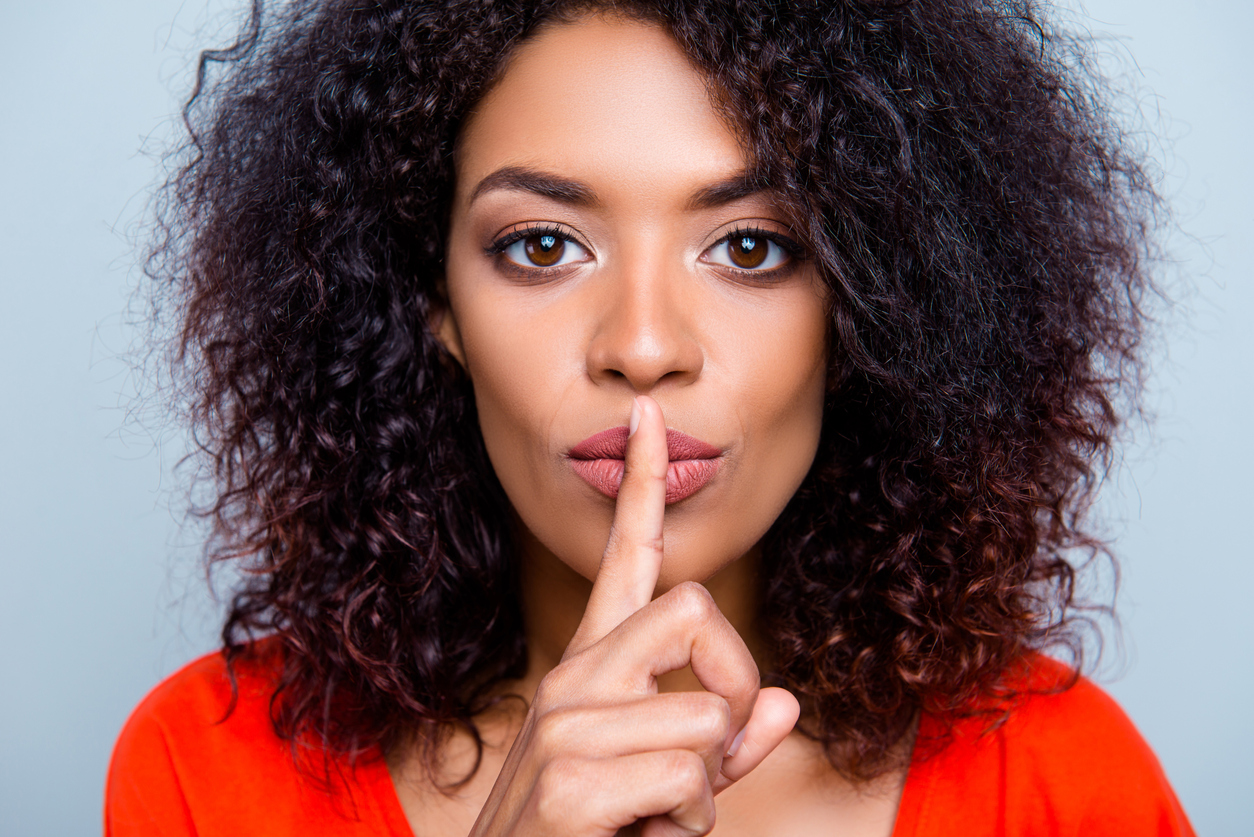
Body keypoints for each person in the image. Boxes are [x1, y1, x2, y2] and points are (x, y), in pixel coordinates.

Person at [105, 0, 1195, 834]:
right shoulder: (207, 770)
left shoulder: (1061, 779)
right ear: (431, 300)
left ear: (871, 303)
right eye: (541, 245)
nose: (642, 345)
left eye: (752, 247)